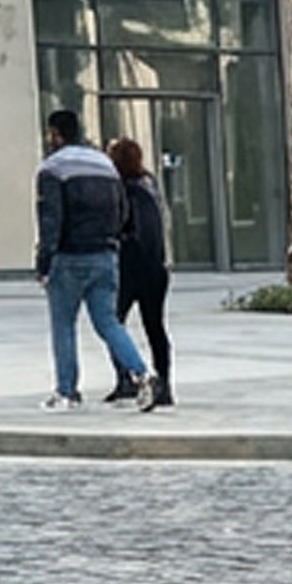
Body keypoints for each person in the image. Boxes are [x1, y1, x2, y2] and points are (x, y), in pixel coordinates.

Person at [34, 111, 151, 410]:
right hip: (105, 255)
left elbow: (51, 219)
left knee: (63, 325)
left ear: (55, 134)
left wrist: (44, 261)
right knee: (108, 322)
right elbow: (122, 211)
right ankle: (142, 373)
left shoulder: (53, 168)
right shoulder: (105, 165)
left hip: (69, 256)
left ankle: (67, 391)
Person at [108, 134, 173, 410]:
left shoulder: (123, 189)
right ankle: (165, 383)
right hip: (156, 267)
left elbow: (125, 229)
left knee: (112, 323)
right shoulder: (150, 184)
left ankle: (127, 378)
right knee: (155, 326)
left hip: (130, 267)